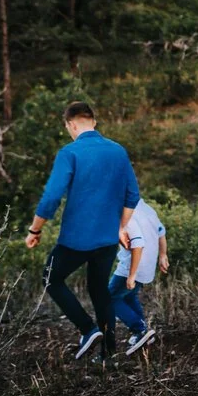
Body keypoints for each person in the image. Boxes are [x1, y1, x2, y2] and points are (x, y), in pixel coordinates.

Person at [26, 101, 140, 361]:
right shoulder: (118, 151)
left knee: (50, 279)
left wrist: (35, 230)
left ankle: (88, 330)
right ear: (94, 122)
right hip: (107, 239)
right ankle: (108, 353)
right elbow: (132, 196)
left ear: (70, 124)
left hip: (76, 239)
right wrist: (120, 227)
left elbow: (51, 197)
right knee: (99, 290)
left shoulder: (69, 152)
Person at [108, 199, 168, 357]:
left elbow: (138, 244)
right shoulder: (147, 208)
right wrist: (163, 255)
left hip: (132, 266)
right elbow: (161, 231)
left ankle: (140, 330)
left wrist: (131, 275)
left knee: (109, 298)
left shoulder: (125, 212)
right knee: (128, 296)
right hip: (147, 264)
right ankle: (143, 333)